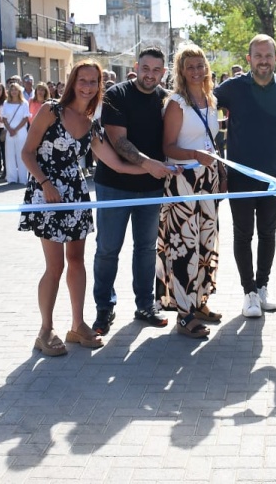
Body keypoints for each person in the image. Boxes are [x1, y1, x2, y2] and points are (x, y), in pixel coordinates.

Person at [19, 60, 143, 356]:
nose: (88, 86)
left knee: (76, 260)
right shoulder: (51, 110)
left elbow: (116, 164)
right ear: (73, 82)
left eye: (93, 82)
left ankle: (77, 325)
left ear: (100, 86)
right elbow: (27, 152)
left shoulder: (91, 125)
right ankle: (45, 330)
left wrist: (157, 169)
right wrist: (46, 183)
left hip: (75, 194)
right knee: (55, 266)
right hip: (47, 194)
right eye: (82, 80)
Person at [214, 34, 276, 318]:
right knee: (243, 234)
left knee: (268, 232)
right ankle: (249, 292)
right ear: (249, 59)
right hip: (240, 174)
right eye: (258, 56)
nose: (263, 61)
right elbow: (205, 107)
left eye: (268, 56)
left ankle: (263, 286)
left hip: (275, 175)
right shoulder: (231, 88)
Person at [91, 47, 177, 336]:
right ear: (136, 66)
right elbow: (119, 143)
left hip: (152, 188)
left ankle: (145, 305)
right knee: (107, 249)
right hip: (114, 186)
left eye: (156, 70)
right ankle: (104, 307)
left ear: (163, 73)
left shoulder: (166, 99)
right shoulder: (116, 94)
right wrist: (148, 164)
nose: (150, 74)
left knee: (146, 249)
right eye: (146, 68)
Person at [158, 44, 223, 338]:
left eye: (201, 65)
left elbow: (213, 142)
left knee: (207, 240)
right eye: (190, 67)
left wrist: (218, 169)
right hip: (183, 179)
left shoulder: (211, 99)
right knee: (185, 245)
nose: (197, 71)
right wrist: (195, 156)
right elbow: (168, 147)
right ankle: (184, 314)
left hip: (207, 179)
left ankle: (200, 301)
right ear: (181, 72)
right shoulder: (177, 103)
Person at [2, 82, 31, 184]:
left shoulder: (24, 103)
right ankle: (11, 178)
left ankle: (23, 178)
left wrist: (16, 129)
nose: (14, 92)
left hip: (21, 131)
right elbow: (4, 118)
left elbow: (25, 118)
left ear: (19, 91)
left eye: (15, 89)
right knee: (9, 154)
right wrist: (10, 129)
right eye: (12, 90)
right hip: (10, 131)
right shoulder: (6, 103)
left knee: (21, 154)